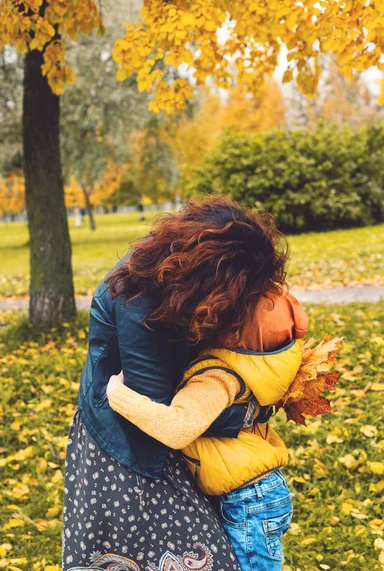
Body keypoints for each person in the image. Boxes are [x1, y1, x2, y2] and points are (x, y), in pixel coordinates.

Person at [62, 195, 289, 570]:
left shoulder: (172, 283)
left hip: (154, 431)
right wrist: (246, 412)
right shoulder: (139, 300)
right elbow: (167, 414)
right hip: (129, 445)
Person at [106, 288, 308, 570]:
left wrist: (118, 396)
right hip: (260, 492)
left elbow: (178, 428)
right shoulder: (259, 366)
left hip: (246, 499)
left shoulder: (216, 378)